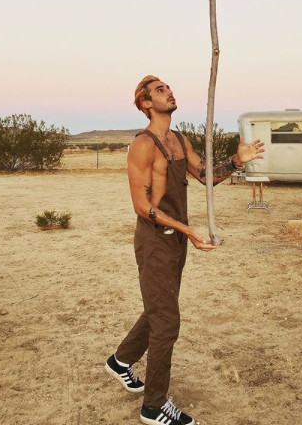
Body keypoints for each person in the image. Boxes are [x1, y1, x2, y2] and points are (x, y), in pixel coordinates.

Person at [105, 75, 265, 425]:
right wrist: (187, 229)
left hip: (176, 238)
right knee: (167, 321)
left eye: (169, 88)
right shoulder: (143, 146)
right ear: (146, 104)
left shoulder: (179, 140)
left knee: (160, 307)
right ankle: (154, 405)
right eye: (160, 90)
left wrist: (237, 162)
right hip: (155, 240)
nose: (169, 92)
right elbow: (141, 206)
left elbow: (207, 174)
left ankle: (120, 360)